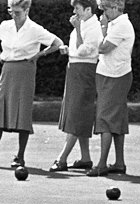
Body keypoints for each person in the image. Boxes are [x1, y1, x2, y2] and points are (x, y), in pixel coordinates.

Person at [0, 0, 63, 169]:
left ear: (26, 10)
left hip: (26, 70)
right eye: (11, 12)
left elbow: (57, 43)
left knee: (23, 112)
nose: (14, 16)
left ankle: (20, 157)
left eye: (17, 12)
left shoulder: (35, 29)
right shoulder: (5, 26)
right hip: (7, 69)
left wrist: (39, 55)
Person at [50, 0, 102, 173]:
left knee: (77, 113)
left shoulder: (93, 27)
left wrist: (78, 29)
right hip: (74, 69)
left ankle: (62, 158)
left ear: (88, 9)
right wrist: (67, 49)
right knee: (77, 111)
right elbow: (76, 49)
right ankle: (85, 157)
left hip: (85, 71)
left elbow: (83, 51)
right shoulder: (82, 24)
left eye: (77, 8)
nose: (74, 11)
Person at [86, 0, 135, 177]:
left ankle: (101, 164)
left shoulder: (121, 25)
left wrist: (103, 28)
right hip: (108, 74)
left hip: (116, 76)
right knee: (117, 118)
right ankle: (119, 163)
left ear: (115, 8)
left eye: (104, 9)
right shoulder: (116, 24)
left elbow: (103, 48)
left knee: (105, 118)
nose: (102, 13)